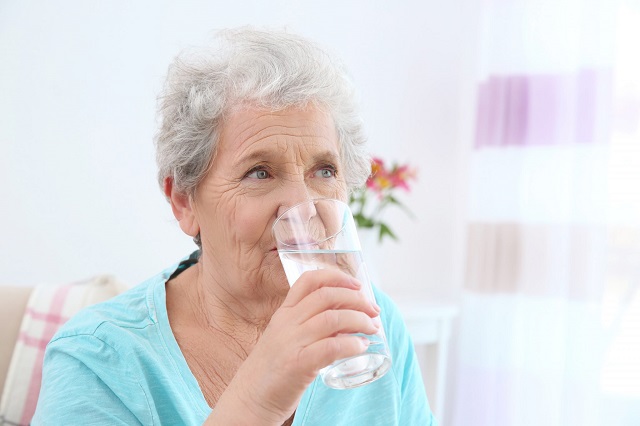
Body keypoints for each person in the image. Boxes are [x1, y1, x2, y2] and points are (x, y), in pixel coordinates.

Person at [33, 27, 436, 425]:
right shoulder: (95, 360)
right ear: (184, 201)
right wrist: (257, 401)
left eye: (324, 170)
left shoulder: (370, 322)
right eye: (259, 173)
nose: (303, 206)